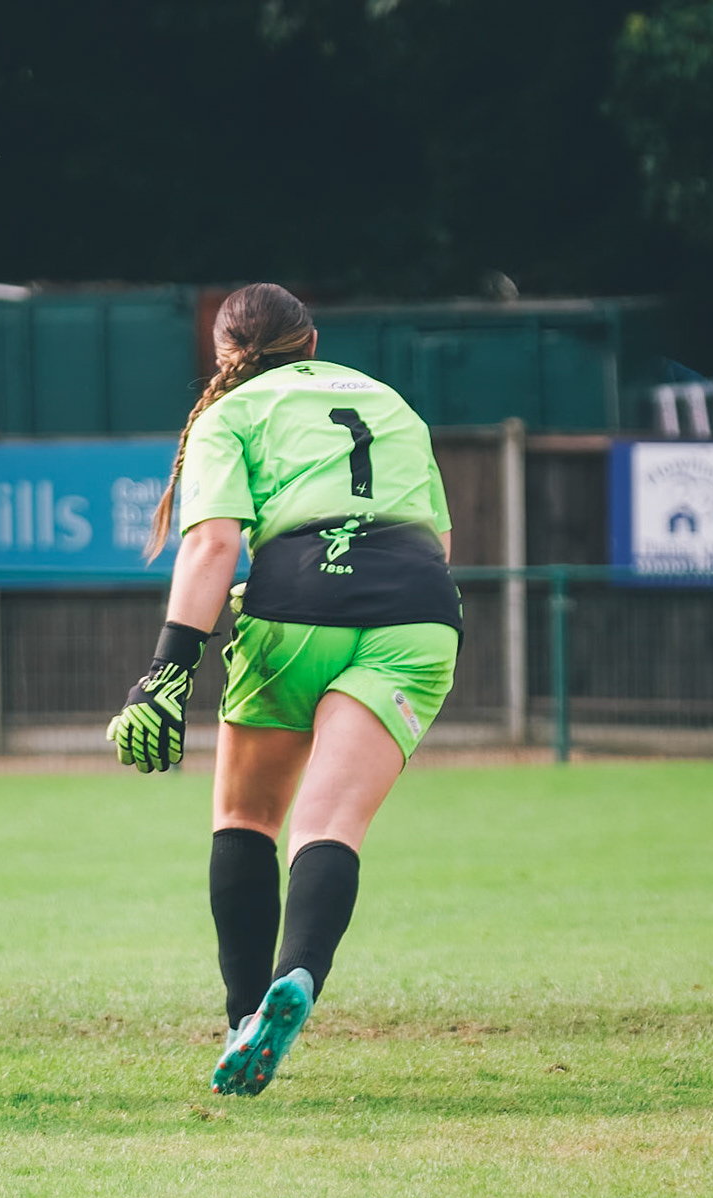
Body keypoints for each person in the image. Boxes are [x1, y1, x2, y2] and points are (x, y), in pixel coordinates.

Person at [109, 283, 460, 1097]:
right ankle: (299, 972)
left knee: (247, 818)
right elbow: (440, 541)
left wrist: (167, 668)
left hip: (300, 598)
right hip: (418, 608)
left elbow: (214, 545)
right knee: (330, 824)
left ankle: (244, 1016)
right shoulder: (391, 402)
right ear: (312, 342)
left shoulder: (228, 414)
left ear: (223, 354)